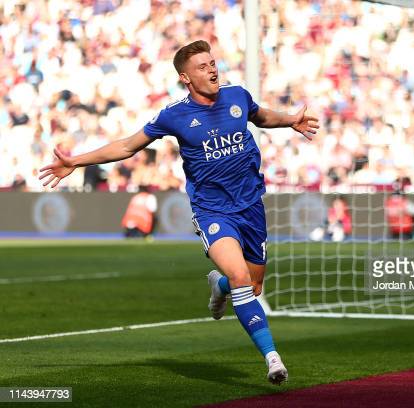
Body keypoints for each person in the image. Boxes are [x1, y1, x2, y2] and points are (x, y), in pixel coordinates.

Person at [39, 40, 319, 385]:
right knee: (242, 279)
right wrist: (75, 162)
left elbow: (260, 116)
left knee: (252, 285)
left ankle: (220, 285)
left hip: (251, 207)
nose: (212, 70)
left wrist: (291, 120)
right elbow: (127, 145)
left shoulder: (237, 96)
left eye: (213, 63)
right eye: (202, 67)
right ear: (185, 78)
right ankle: (273, 359)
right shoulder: (174, 115)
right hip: (213, 211)